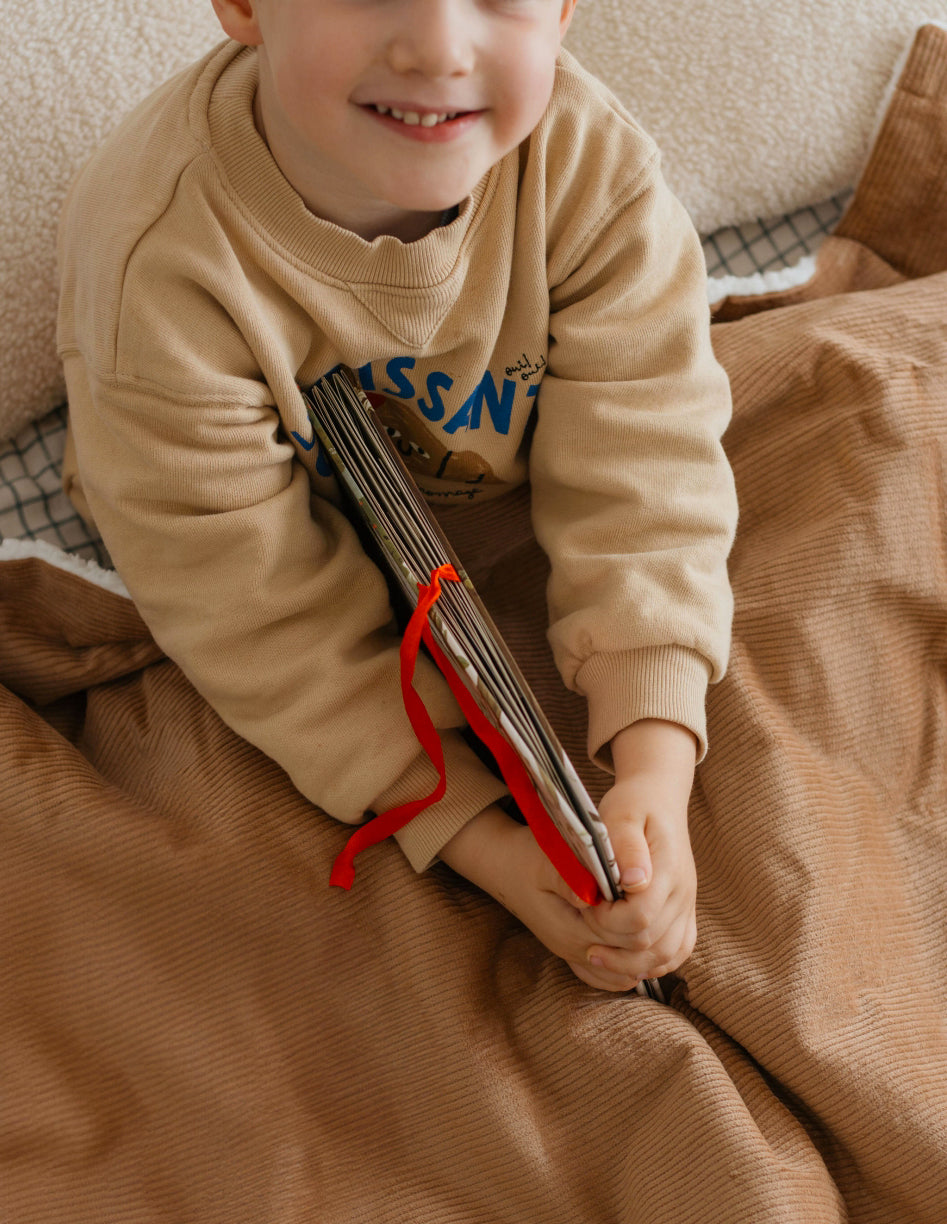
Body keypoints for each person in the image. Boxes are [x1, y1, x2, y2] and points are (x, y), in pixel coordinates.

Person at [57, 0, 737, 993]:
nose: (437, 47)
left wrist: (653, 769)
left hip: (513, 516)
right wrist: (471, 833)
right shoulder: (158, 263)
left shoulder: (587, 166)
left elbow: (650, 458)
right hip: (240, 553)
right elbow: (249, 605)